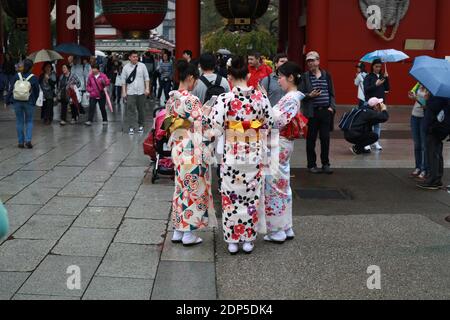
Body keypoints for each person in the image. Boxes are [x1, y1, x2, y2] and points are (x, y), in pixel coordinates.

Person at [208, 56, 274, 255]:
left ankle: (232, 240)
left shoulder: (224, 99)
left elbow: (215, 128)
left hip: (232, 154)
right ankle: (248, 239)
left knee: (231, 196)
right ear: (248, 74)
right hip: (253, 153)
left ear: (229, 77)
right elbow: (269, 123)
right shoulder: (260, 98)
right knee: (251, 196)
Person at [167, 60, 214, 246]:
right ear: (190, 78)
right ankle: (189, 234)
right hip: (192, 148)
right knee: (194, 190)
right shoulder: (192, 100)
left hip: (178, 146)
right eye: (195, 79)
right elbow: (203, 125)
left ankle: (178, 230)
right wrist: (207, 112)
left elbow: (168, 125)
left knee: (181, 189)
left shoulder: (171, 98)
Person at [264, 62, 305, 243]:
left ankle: (277, 230)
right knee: (282, 184)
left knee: (274, 186)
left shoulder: (290, 98)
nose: (278, 80)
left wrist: (264, 100)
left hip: (278, 143)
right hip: (282, 143)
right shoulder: (292, 97)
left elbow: (274, 120)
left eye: (280, 76)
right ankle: (286, 227)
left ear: (290, 77)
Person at [299, 51, 336, 174]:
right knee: (311, 139)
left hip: (325, 111)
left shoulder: (327, 75)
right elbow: (299, 94)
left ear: (318, 61)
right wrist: (310, 95)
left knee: (325, 138)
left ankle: (325, 164)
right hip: (312, 113)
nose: (310, 63)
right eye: (308, 61)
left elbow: (332, 93)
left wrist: (331, 107)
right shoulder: (305, 77)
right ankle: (311, 165)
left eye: (312, 60)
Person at [417, 94, 450, 190]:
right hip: (437, 127)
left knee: (433, 153)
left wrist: (428, 100)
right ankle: (436, 178)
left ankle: (433, 180)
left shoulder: (441, 96)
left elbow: (435, 108)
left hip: (435, 127)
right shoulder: (441, 94)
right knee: (436, 153)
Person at [6, 59, 40, 149]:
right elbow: (37, 91)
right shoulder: (34, 77)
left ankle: (21, 142)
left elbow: (11, 89)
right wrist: (34, 100)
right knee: (29, 121)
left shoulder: (17, 76)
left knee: (19, 121)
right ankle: (28, 140)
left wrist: (7, 100)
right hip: (29, 102)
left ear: (23, 66)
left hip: (17, 102)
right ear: (31, 67)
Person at [122, 50, 150, 135]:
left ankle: (141, 125)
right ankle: (131, 127)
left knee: (141, 109)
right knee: (130, 110)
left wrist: (147, 88)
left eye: (136, 57)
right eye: (133, 57)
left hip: (141, 92)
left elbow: (146, 78)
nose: (135, 58)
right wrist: (124, 92)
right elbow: (123, 81)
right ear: (129, 57)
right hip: (130, 92)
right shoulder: (126, 67)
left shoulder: (142, 66)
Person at [364, 59, 390, 151]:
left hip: (380, 103)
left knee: (377, 124)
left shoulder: (382, 76)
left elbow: (387, 89)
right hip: (370, 103)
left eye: (379, 66)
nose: (378, 68)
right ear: (372, 66)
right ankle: (366, 142)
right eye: (376, 66)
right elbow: (366, 89)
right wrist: (376, 84)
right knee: (368, 124)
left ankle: (375, 141)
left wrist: (386, 78)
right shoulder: (368, 77)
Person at [408, 83, 429, 180]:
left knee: (425, 145)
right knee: (417, 145)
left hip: (424, 118)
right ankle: (418, 167)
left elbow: (426, 105)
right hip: (414, 116)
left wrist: (416, 98)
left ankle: (425, 169)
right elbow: (412, 92)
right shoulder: (418, 85)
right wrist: (411, 94)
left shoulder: (430, 89)